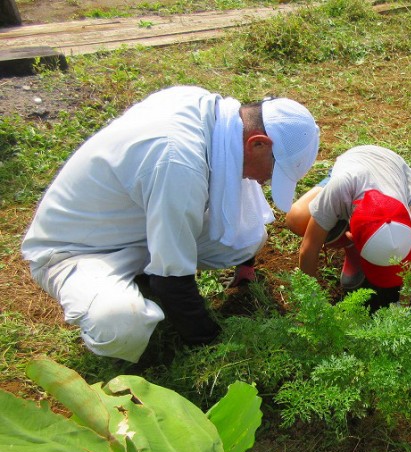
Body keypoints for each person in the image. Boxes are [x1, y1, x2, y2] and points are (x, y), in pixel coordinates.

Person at [22, 85, 320, 363]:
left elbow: (233, 204)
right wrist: (213, 348)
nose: (264, 181)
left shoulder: (218, 118)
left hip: (136, 228)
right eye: (271, 173)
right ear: (258, 143)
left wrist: (245, 266)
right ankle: (121, 300)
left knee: (249, 236)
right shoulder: (178, 161)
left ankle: (142, 277)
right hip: (79, 250)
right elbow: (172, 282)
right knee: (122, 325)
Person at [285, 145, 411, 290]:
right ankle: (352, 250)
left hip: (395, 170)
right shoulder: (339, 188)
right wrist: (311, 299)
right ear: (351, 235)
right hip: (355, 162)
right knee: (296, 220)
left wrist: (404, 303)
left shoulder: (402, 218)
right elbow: (309, 247)